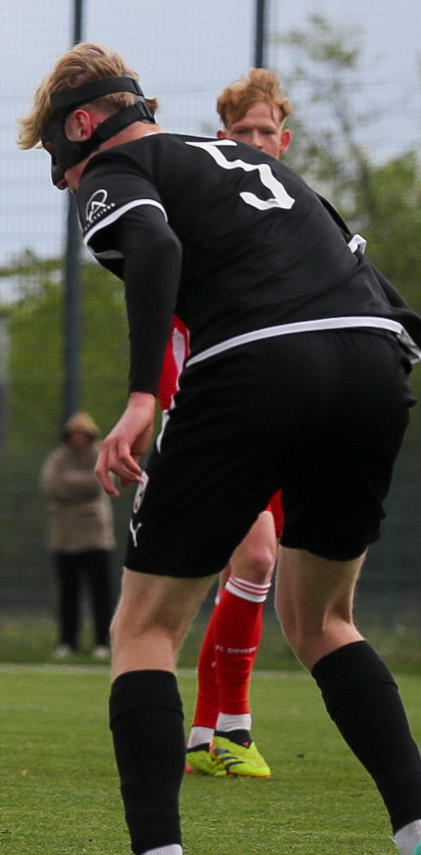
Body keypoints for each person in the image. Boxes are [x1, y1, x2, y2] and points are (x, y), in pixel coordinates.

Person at [19, 42, 421, 855]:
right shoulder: (260, 164)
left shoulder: (120, 164)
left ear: (81, 126)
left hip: (255, 364)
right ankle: (420, 843)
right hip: (372, 358)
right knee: (323, 621)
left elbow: (153, 243)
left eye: (60, 164)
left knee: (144, 627)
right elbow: (373, 284)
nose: (69, 185)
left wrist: (140, 399)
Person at [176, 69, 303, 779]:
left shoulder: (300, 217)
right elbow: (171, 324)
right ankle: (234, 726)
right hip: (218, 411)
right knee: (253, 561)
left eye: (265, 132)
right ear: (220, 140)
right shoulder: (200, 218)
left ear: (281, 141)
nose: (255, 143)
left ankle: (203, 733)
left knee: (247, 572)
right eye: (242, 133)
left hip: (287, 413)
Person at [41, 412, 115, 659]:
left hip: (95, 539)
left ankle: (102, 642)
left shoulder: (99, 455)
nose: (79, 439)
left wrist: (70, 484)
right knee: (67, 594)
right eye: (74, 435)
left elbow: (99, 483)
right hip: (64, 538)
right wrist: (80, 485)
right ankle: (67, 641)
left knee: (101, 593)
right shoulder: (58, 458)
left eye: (83, 435)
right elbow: (51, 484)